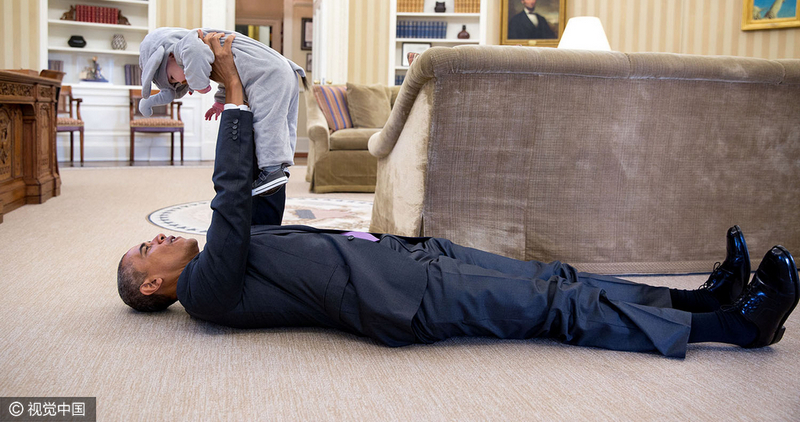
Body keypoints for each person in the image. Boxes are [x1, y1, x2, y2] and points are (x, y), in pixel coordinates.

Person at [117, 34, 800, 358]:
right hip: (405, 299)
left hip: (408, 260)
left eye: (144, 237)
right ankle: (734, 327)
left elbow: (261, 181)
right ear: (154, 289)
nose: (155, 239)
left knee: (556, 276)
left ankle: (699, 299)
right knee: (553, 306)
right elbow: (232, 198)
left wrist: (244, 98)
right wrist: (231, 88)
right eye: (145, 252)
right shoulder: (206, 291)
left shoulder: (226, 260)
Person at [138, 28, 307, 196]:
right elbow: (233, 69)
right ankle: (282, 167)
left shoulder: (188, 45)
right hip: (281, 69)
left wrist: (200, 84)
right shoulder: (207, 48)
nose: (180, 82)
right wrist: (220, 102)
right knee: (283, 121)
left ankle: (272, 169)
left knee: (267, 122)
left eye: (172, 78)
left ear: (170, 55)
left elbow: (196, 54)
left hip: (268, 74)